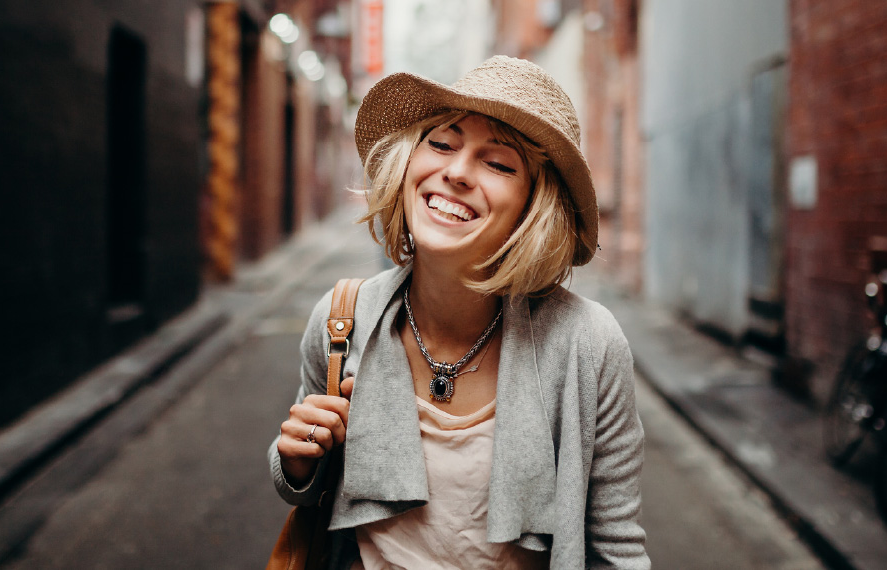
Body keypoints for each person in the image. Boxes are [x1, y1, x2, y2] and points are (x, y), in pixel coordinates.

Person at [269, 55, 649, 569]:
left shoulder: (588, 343)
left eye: (497, 163)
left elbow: (617, 548)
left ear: (534, 206)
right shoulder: (343, 320)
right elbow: (308, 492)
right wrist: (294, 462)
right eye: (442, 144)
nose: (455, 172)